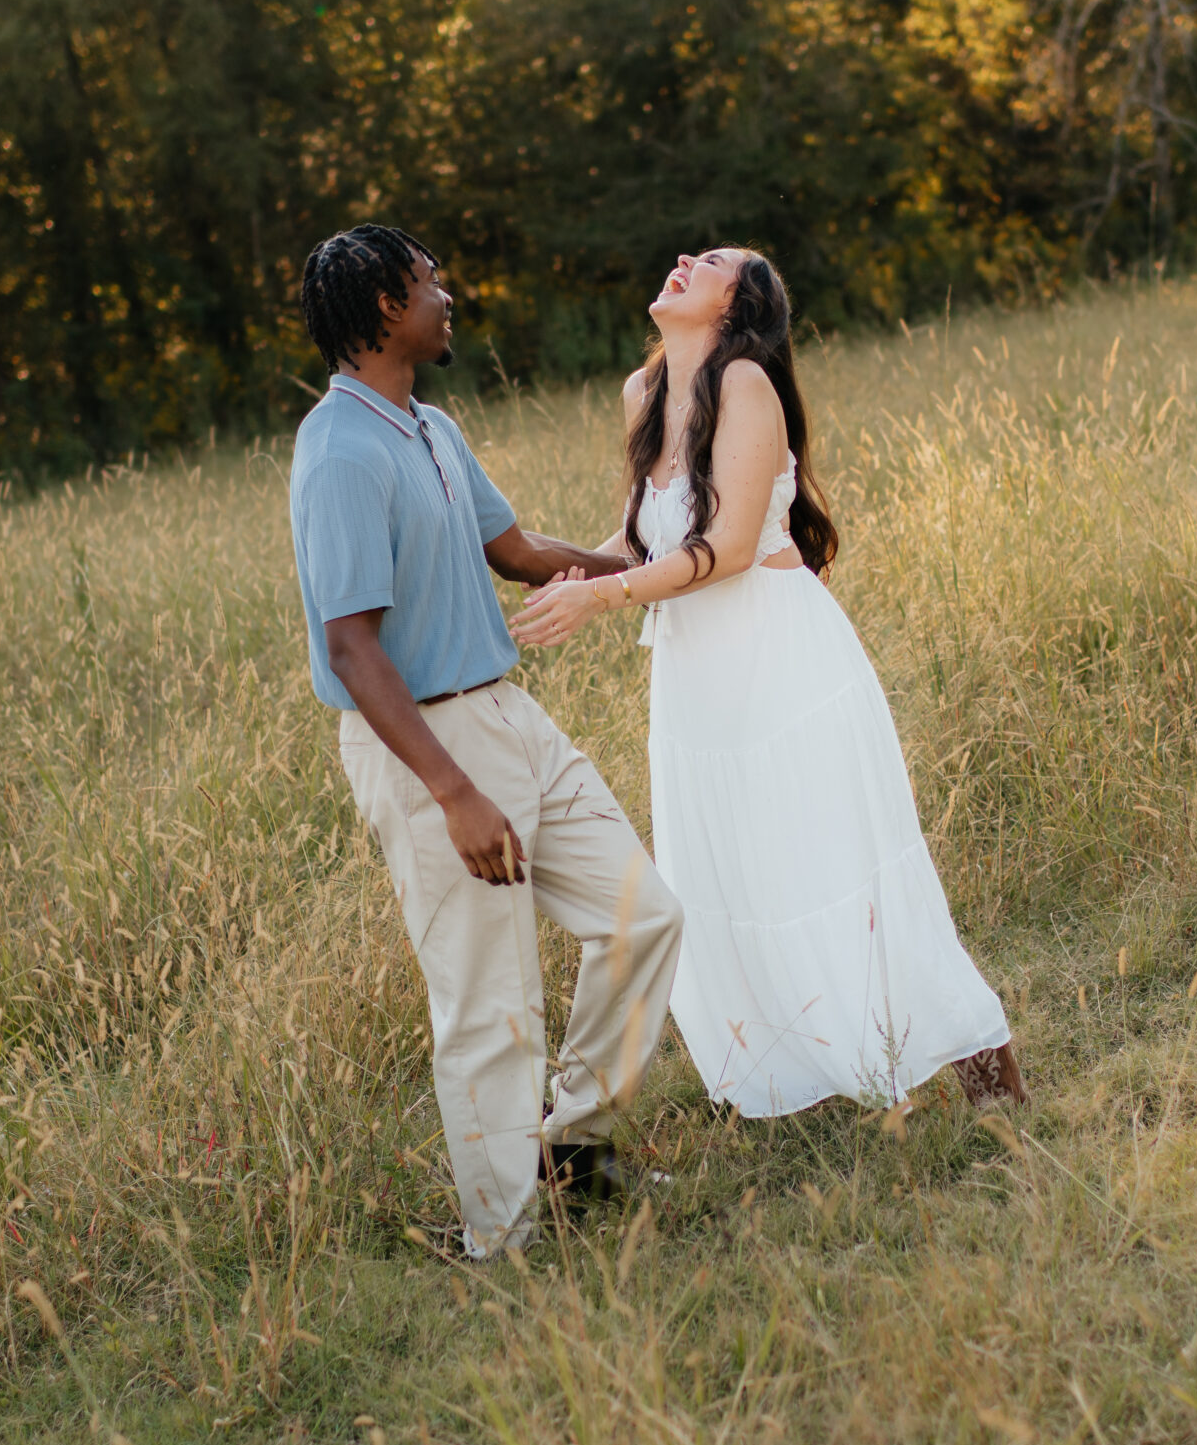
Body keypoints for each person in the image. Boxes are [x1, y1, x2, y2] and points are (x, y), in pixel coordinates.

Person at [517, 247, 1025, 1118]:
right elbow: (648, 539)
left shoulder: (745, 383)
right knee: (739, 877)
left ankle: (991, 1086)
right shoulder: (642, 395)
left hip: (782, 667)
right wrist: (545, 569)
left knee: (840, 867)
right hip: (696, 682)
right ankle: (811, 1074)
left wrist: (605, 596)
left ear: (736, 305)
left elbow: (732, 546)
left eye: (709, 262)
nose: (682, 259)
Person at [288, 224, 684, 1259]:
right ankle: (499, 1242)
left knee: (644, 915)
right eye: (429, 283)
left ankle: (572, 1149)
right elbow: (351, 646)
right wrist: (453, 792)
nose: (447, 294)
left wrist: (643, 555)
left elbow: (516, 551)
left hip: (511, 714)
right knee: (490, 1005)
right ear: (384, 308)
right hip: (429, 747)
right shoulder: (337, 452)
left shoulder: (430, 426)